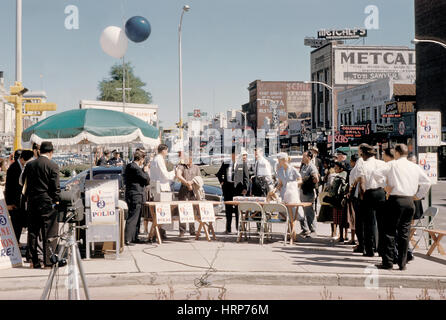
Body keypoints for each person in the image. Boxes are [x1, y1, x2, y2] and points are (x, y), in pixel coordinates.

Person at [373, 144, 431, 270]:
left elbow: (376, 173)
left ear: (397, 153)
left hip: (395, 199)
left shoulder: (392, 164)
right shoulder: (414, 166)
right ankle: (402, 263)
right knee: (404, 233)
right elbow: (427, 181)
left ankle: (388, 262)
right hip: (409, 201)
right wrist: (418, 195)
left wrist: (385, 185)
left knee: (390, 232)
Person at [22, 142, 60, 268]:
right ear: (51, 152)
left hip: (32, 201)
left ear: (40, 151)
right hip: (47, 201)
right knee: (49, 231)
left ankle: (34, 261)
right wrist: (57, 201)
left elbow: (22, 181)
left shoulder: (30, 164)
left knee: (33, 231)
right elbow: (55, 187)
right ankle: (49, 261)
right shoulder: (52, 165)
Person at [357, 143, 387, 257]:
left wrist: (362, 196)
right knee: (381, 222)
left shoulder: (363, 165)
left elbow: (362, 183)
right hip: (380, 192)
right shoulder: (381, 163)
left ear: (364, 154)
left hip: (369, 193)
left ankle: (369, 249)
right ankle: (381, 249)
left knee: (369, 223)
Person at [216, 146, 249, 234]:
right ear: (231, 154)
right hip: (228, 188)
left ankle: (238, 229)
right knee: (228, 209)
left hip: (238, 189)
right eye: (234, 154)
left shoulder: (243, 163)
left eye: (237, 154)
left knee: (238, 209)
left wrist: (245, 188)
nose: (235, 156)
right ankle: (228, 228)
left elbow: (246, 177)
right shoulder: (226, 163)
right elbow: (218, 174)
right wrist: (222, 182)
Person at [4, 150, 33, 243]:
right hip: (14, 203)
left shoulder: (22, 167)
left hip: (20, 203)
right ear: (23, 159)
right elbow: (8, 187)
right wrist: (9, 204)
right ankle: (14, 244)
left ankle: (17, 242)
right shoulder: (13, 168)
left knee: (19, 224)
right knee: (15, 225)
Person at [123, 150, 150, 246]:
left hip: (134, 194)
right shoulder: (134, 167)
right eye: (143, 159)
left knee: (137, 217)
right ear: (141, 159)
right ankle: (128, 238)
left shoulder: (130, 166)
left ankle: (134, 237)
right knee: (133, 217)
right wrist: (146, 171)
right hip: (136, 195)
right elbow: (146, 180)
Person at [150, 144, 175, 239]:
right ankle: (160, 231)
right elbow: (165, 175)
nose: (167, 152)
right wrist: (173, 173)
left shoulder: (155, 159)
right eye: (167, 150)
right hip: (162, 187)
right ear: (163, 150)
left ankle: (159, 231)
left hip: (157, 187)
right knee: (164, 211)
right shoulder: (159, 159)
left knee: (159, 211)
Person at [176, 151, 201, 237]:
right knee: (182, 210)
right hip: (183, 190)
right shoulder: (181, 166)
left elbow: (199, 179)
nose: (187, 160)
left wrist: (192, 183)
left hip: (193, 191)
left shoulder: (196, 168)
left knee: (193, 211)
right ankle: (182, 231)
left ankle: (192, 230)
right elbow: (178, 175)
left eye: (189, 159)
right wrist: (187, 183)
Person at [276, 152, 304, 226]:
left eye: (279, 160)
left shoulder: (293, 169)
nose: (278, 161)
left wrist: (293, 184)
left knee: (293, 213)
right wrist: (275, 190)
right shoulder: (279, 170)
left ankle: (292, 232)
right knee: (285, 214)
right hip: (283, 195)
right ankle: (289, 232)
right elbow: (280, 183)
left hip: (292, 194)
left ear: (284, 160)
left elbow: (300, 180)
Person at [299, 151, 319, 237]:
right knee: (302, 211)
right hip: (302, 191)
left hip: (308, 192)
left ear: (309, 158)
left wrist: (309, 181)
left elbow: (316, 179)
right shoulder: (303, 166)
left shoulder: (311, 167)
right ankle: (305, 229)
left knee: (309, 211)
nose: (302, 158)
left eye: (304, 156)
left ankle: (313, 230)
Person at [329, 162, 348, 243]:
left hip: (338, 200)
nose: (335, 169)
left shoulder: (338, 177)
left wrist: (330, 193)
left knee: (339, 220)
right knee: (345, 219)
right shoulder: (347, 174)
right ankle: (346, 235)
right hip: (345, 198)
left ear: (341, 169)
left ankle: (341, 237)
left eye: (336, 168)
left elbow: (333, 191)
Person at [349, 154, 364, 252]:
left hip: (359, 195)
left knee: (359, 221)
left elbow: (353, 182)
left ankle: (361, 244)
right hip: (371, 195)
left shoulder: (356, 168)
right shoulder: (376, 164)